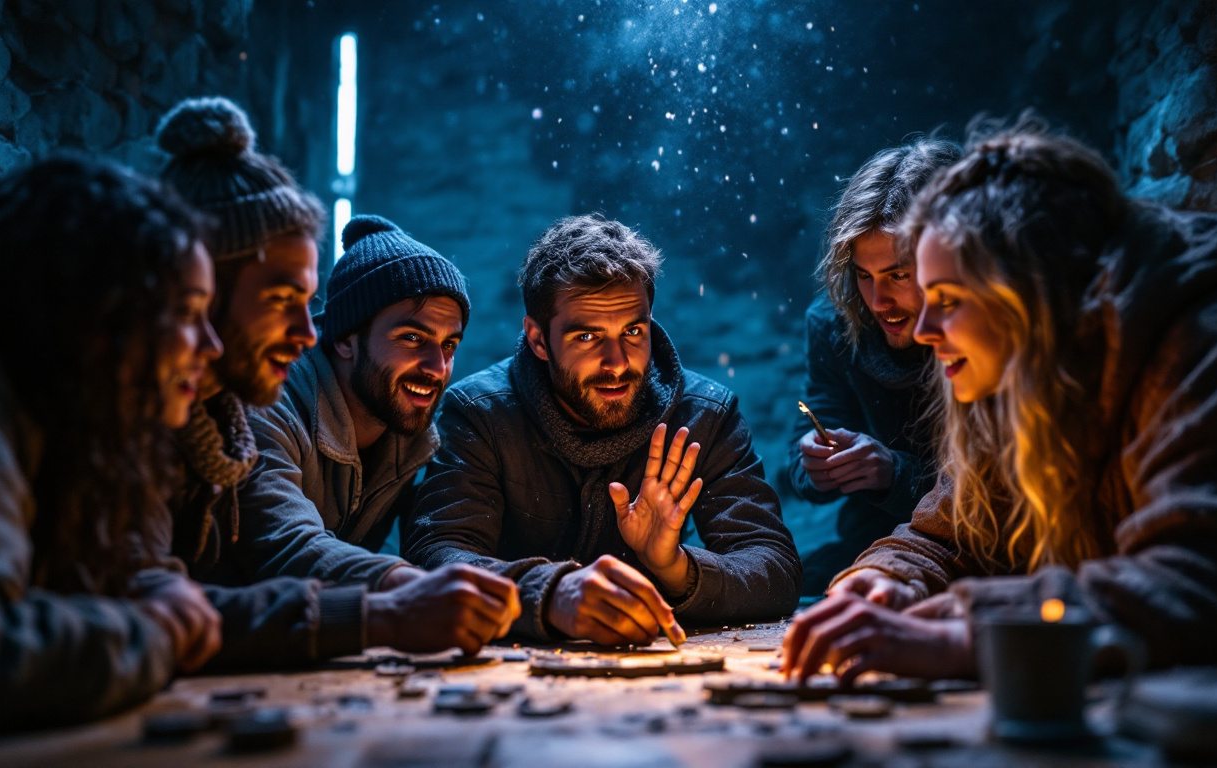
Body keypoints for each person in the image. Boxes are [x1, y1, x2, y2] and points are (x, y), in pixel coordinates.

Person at [782, 120, 1217, 682]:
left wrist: (971, 631)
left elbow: (1214, 578)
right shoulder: (1015, 378)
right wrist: (890, 575)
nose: (924, 328)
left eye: (946, 298)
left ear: (1026, 289)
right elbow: (949, 533)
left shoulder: (1212, 346)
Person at [155, 96, 517, 662]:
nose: (438, 368)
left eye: (449, 346)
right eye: (412, 339)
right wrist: (396, 604)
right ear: (345, 338)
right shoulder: (259, 405)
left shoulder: (415, 434)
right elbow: (282, 548)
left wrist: (542, 591)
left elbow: (444, 547)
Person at [405, 214, 802, 644]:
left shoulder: (704, 417)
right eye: (587, 338)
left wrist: (676, 567)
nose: (617, 362)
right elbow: (434, 557)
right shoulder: (480, 415)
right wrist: (551, 593)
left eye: (633, 331)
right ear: (538, 340)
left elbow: (776, 569)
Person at [0, 155, 222, 736]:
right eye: (185, 313)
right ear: (95, 314)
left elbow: (145, 596)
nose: (212, 345)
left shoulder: (74, 429)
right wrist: (153, 635)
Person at [788, 137, 959, 594]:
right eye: (864, 275)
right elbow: (801, 462)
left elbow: (991, 490)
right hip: (869, 544)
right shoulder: (834, 325)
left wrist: (894, 474)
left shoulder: (976, 333)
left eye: (899, 275)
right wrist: (818, 460)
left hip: (974, 542)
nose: (879, 301)